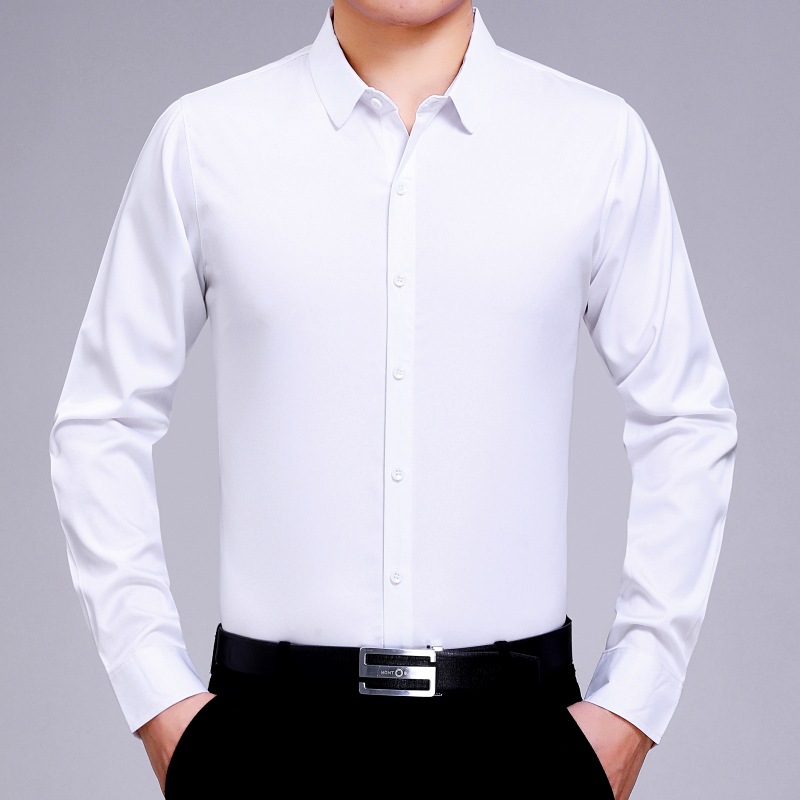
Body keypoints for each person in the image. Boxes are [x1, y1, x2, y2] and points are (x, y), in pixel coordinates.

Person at [48, 2, 737, 798]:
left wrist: (632, 707)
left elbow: (687, 417)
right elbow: (99, 421)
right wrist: (159, 700)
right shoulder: (204, 142)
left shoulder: (597, 141)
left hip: (520, 741)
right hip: (266, 742)